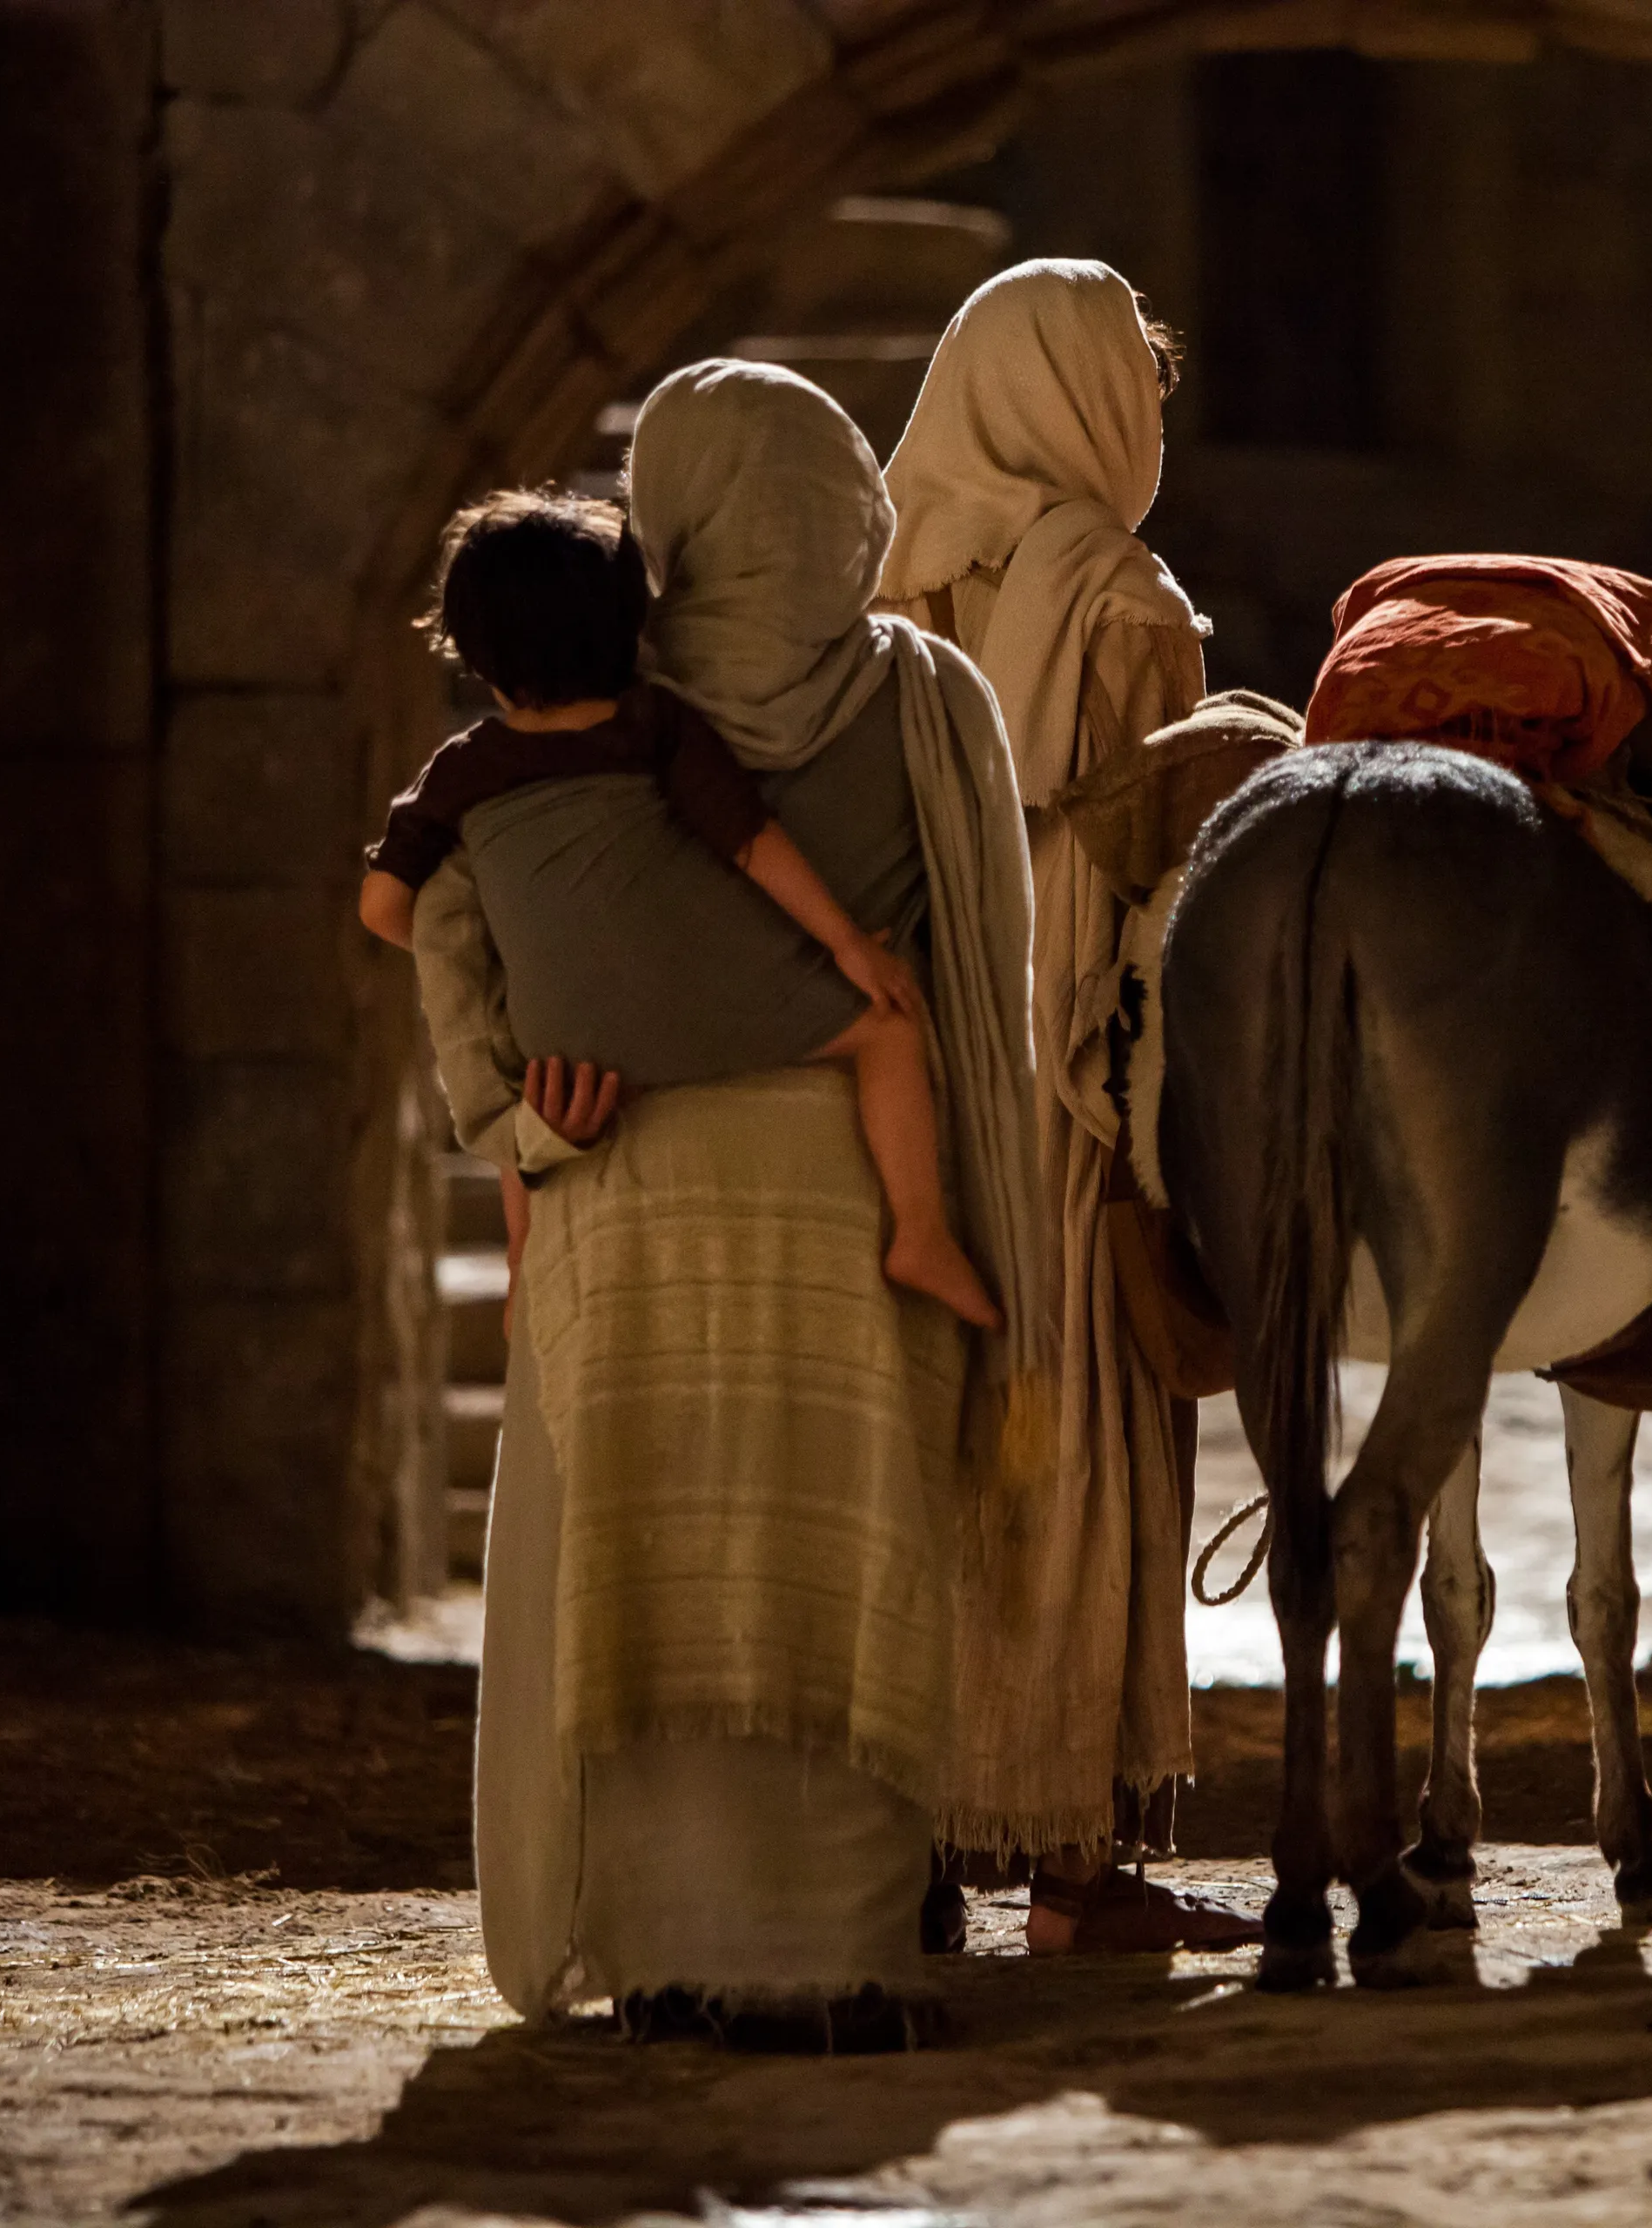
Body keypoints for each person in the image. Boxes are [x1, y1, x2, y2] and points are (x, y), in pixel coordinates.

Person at [407, 359, 1049, 2044]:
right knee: (837, 1561)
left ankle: (667, 1953)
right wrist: (974, 1205)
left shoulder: (577, 705)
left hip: (613, 1180)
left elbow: (453, 943)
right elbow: (977, 982)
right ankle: (836, 1956)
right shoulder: (918, 694)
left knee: (642, 1567)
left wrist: (512, 1119)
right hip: (849, 1190)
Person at [876, 257, 1255, 1954]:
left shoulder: (889, 571)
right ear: (1091, 395)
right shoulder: (1116, 592)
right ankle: (1076, 1859)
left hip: (910, 1033)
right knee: (1083, 1417)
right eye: (1142, 381)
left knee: (930, 1431)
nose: (1153, 412)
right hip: (1068, 1044)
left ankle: (907, 1841)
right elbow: (1170, 849)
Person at [359, 488, 997, 1331]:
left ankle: (522, 1265)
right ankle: (919, 1233)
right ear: (631, 622)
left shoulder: (462, 769)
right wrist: (849, 946)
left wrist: (520, 945)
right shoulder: (656, 723)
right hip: (706, 1008)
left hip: (562, 1052)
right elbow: (748, 839)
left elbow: (382, 908)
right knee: (886, 1029)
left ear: (476, 656)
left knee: (507, 1077)